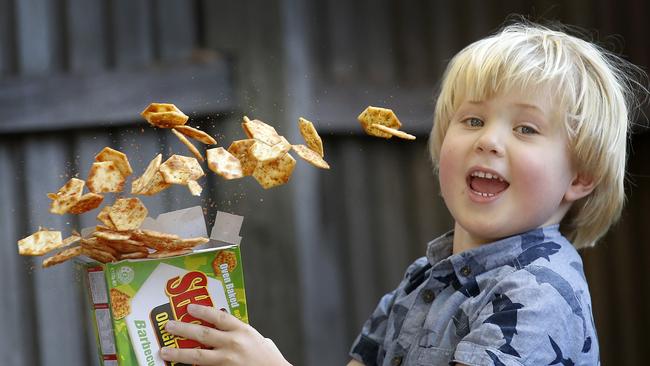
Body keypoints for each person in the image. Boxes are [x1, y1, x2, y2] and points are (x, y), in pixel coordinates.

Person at [159, 20, 646, 365]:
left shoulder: (538, 298)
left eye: (525, 129)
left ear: (580, 176)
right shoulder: (423, 283)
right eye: (472, 119)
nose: (489, 140)